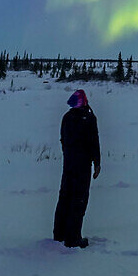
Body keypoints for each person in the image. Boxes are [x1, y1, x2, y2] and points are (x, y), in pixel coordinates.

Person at [53, 88, 101, 248]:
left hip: (69, 164)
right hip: (81, 165)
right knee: (78, 199)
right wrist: (97, 162)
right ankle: (73, 238)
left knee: (65, 197)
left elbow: (63, 140)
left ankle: (59, 234)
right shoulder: (87, 117)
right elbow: (94, 141)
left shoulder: (67, 117)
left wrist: (68, 155)